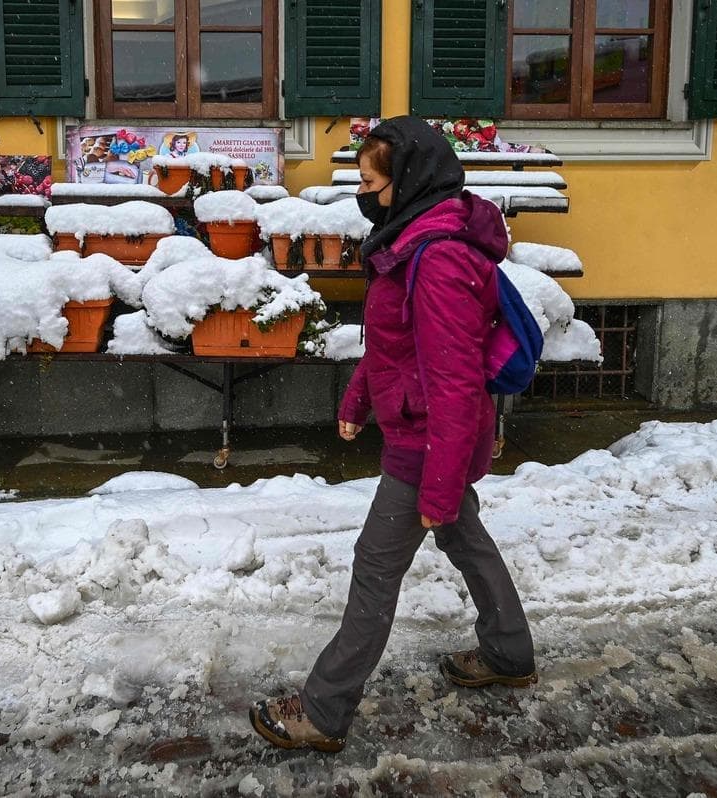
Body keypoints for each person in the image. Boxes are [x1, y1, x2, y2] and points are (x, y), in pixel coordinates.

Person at [250, 116, 538, 753]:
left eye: (372, 180)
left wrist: (437, 484)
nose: (365, 192)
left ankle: (324, 711)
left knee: (375, 569)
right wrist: (359, 395)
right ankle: (510, 652)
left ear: (407, 179)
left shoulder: (437, 259)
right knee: (467, 542)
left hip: (428, 443)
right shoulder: (412, 237)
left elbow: (457, 384)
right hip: (425, 433)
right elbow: (395, 345)